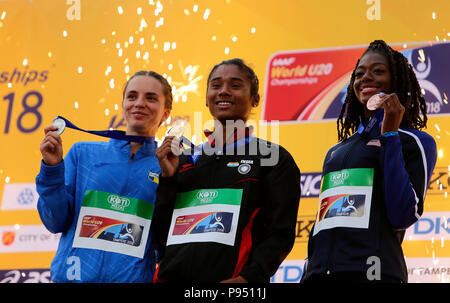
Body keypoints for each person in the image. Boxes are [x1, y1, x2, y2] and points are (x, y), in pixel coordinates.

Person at [152, 58, 301, 282]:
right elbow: (162, 236)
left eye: (235, 85)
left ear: (255, 99)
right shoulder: (182, 159)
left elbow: (280, 233)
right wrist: (168, 179)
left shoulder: (273, 159)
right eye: (216, 85)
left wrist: (249, 278)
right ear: (206, 98)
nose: (223, 91)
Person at [302, 40, 437, 283]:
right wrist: (308, 271)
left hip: (376, 274)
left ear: (396, 80)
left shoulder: (415, 141)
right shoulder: (336, 150)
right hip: (320, 275)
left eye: (378, 71)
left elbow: (402, 215)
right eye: (359, 73)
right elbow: (324, 223)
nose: (365, 78)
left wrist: (390, 134)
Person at [36, 70, 172, 282]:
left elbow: (164, 245)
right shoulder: (83, 153)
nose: (139, 103)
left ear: (165, 113)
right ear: (124, 105)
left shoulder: (167, 166)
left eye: (151, 98)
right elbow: (54, 221)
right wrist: (51, 168)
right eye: (132, 96)